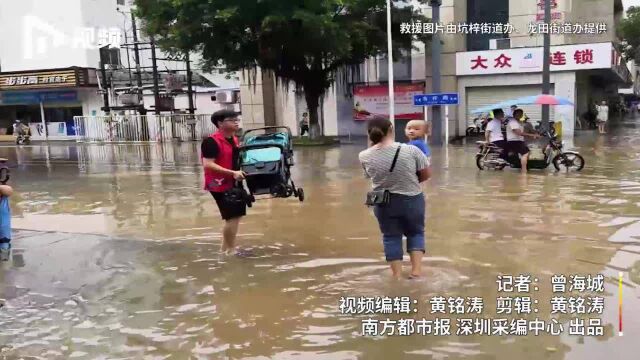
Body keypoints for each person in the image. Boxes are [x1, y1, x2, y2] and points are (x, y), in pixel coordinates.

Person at [359, 117, 431, 280]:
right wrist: (408, 182)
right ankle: (416, 272)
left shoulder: (364, 155)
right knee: (415, 233)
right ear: (392, 129)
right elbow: (426, 174)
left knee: (391, 237)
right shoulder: (411, 150)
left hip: (382, 202)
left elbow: (370, 176)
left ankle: (397, 275)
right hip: (412, 198)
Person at [201, 110, 248, 257]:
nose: (236, 121)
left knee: (235, 216)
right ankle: (231, 251)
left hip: (234, 181)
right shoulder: (211, 141)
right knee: (232, 216)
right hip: (219, 184)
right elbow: (208, 164)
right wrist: (232, 173)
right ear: (220, 123)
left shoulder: (233, 139)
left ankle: (224, 249)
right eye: (231, 119)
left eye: (237, 119)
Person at [507, 109, 540, 173]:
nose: (520, 115)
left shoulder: (519, 122)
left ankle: (523, 168)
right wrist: (531, 135)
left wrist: (534, 135)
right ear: (514, 114)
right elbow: (519, 133)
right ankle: (524, 170)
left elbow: (524, 132)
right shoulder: (513, 122)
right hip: (514, 141)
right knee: (525, 153)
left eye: (521, 114)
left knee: (526, 153)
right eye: (518, 114)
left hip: (519, 141)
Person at [0, 166, 13, 261]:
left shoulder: (3, 188)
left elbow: (8, 191)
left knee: (4, 236)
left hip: (2, 219)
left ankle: (4, 255)